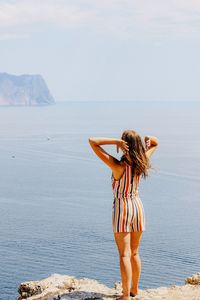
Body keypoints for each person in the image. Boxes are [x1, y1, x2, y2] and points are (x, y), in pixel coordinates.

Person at [88, 130, 158, 300]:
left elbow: (92, 141)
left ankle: (125, 295)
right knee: (135, 252)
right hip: (138, 206)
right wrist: (147, 140)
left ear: (124, 145)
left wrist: (114, 142)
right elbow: (155, 142)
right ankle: (134, 290)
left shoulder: (117, 166)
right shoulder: (142, 161)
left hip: (123, 208)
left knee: (124, 254)